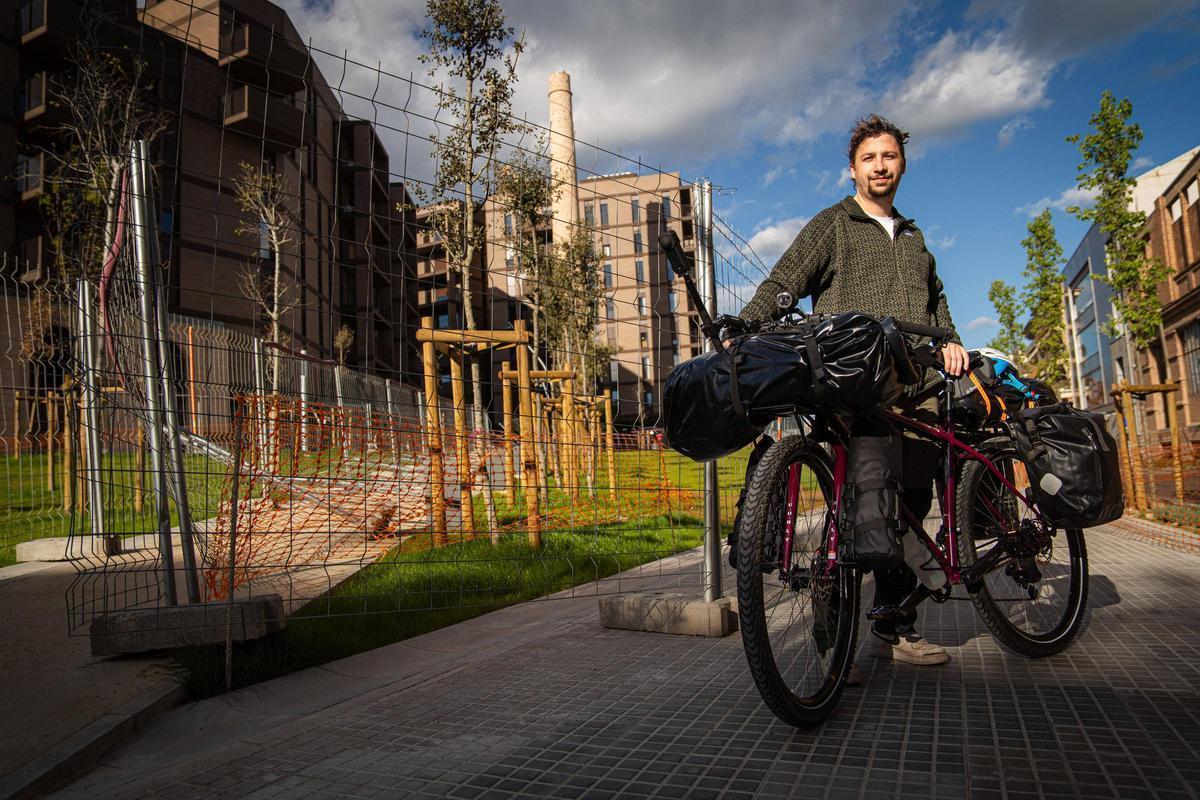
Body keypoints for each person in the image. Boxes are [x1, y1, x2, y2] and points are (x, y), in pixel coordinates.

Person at [739, 114, 968, 677]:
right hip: (855, 386)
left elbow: (936, 306)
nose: (881, 166)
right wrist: (743, 325)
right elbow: (786, 278)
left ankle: (891, 622)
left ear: (902, 165)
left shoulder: (915, 241)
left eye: (889, 157)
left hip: (917, 390)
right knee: (862, 506)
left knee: (911, 508)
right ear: (853, 169)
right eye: (870, 158)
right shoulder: (835, 224)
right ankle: (835, 604)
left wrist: (953, 344)